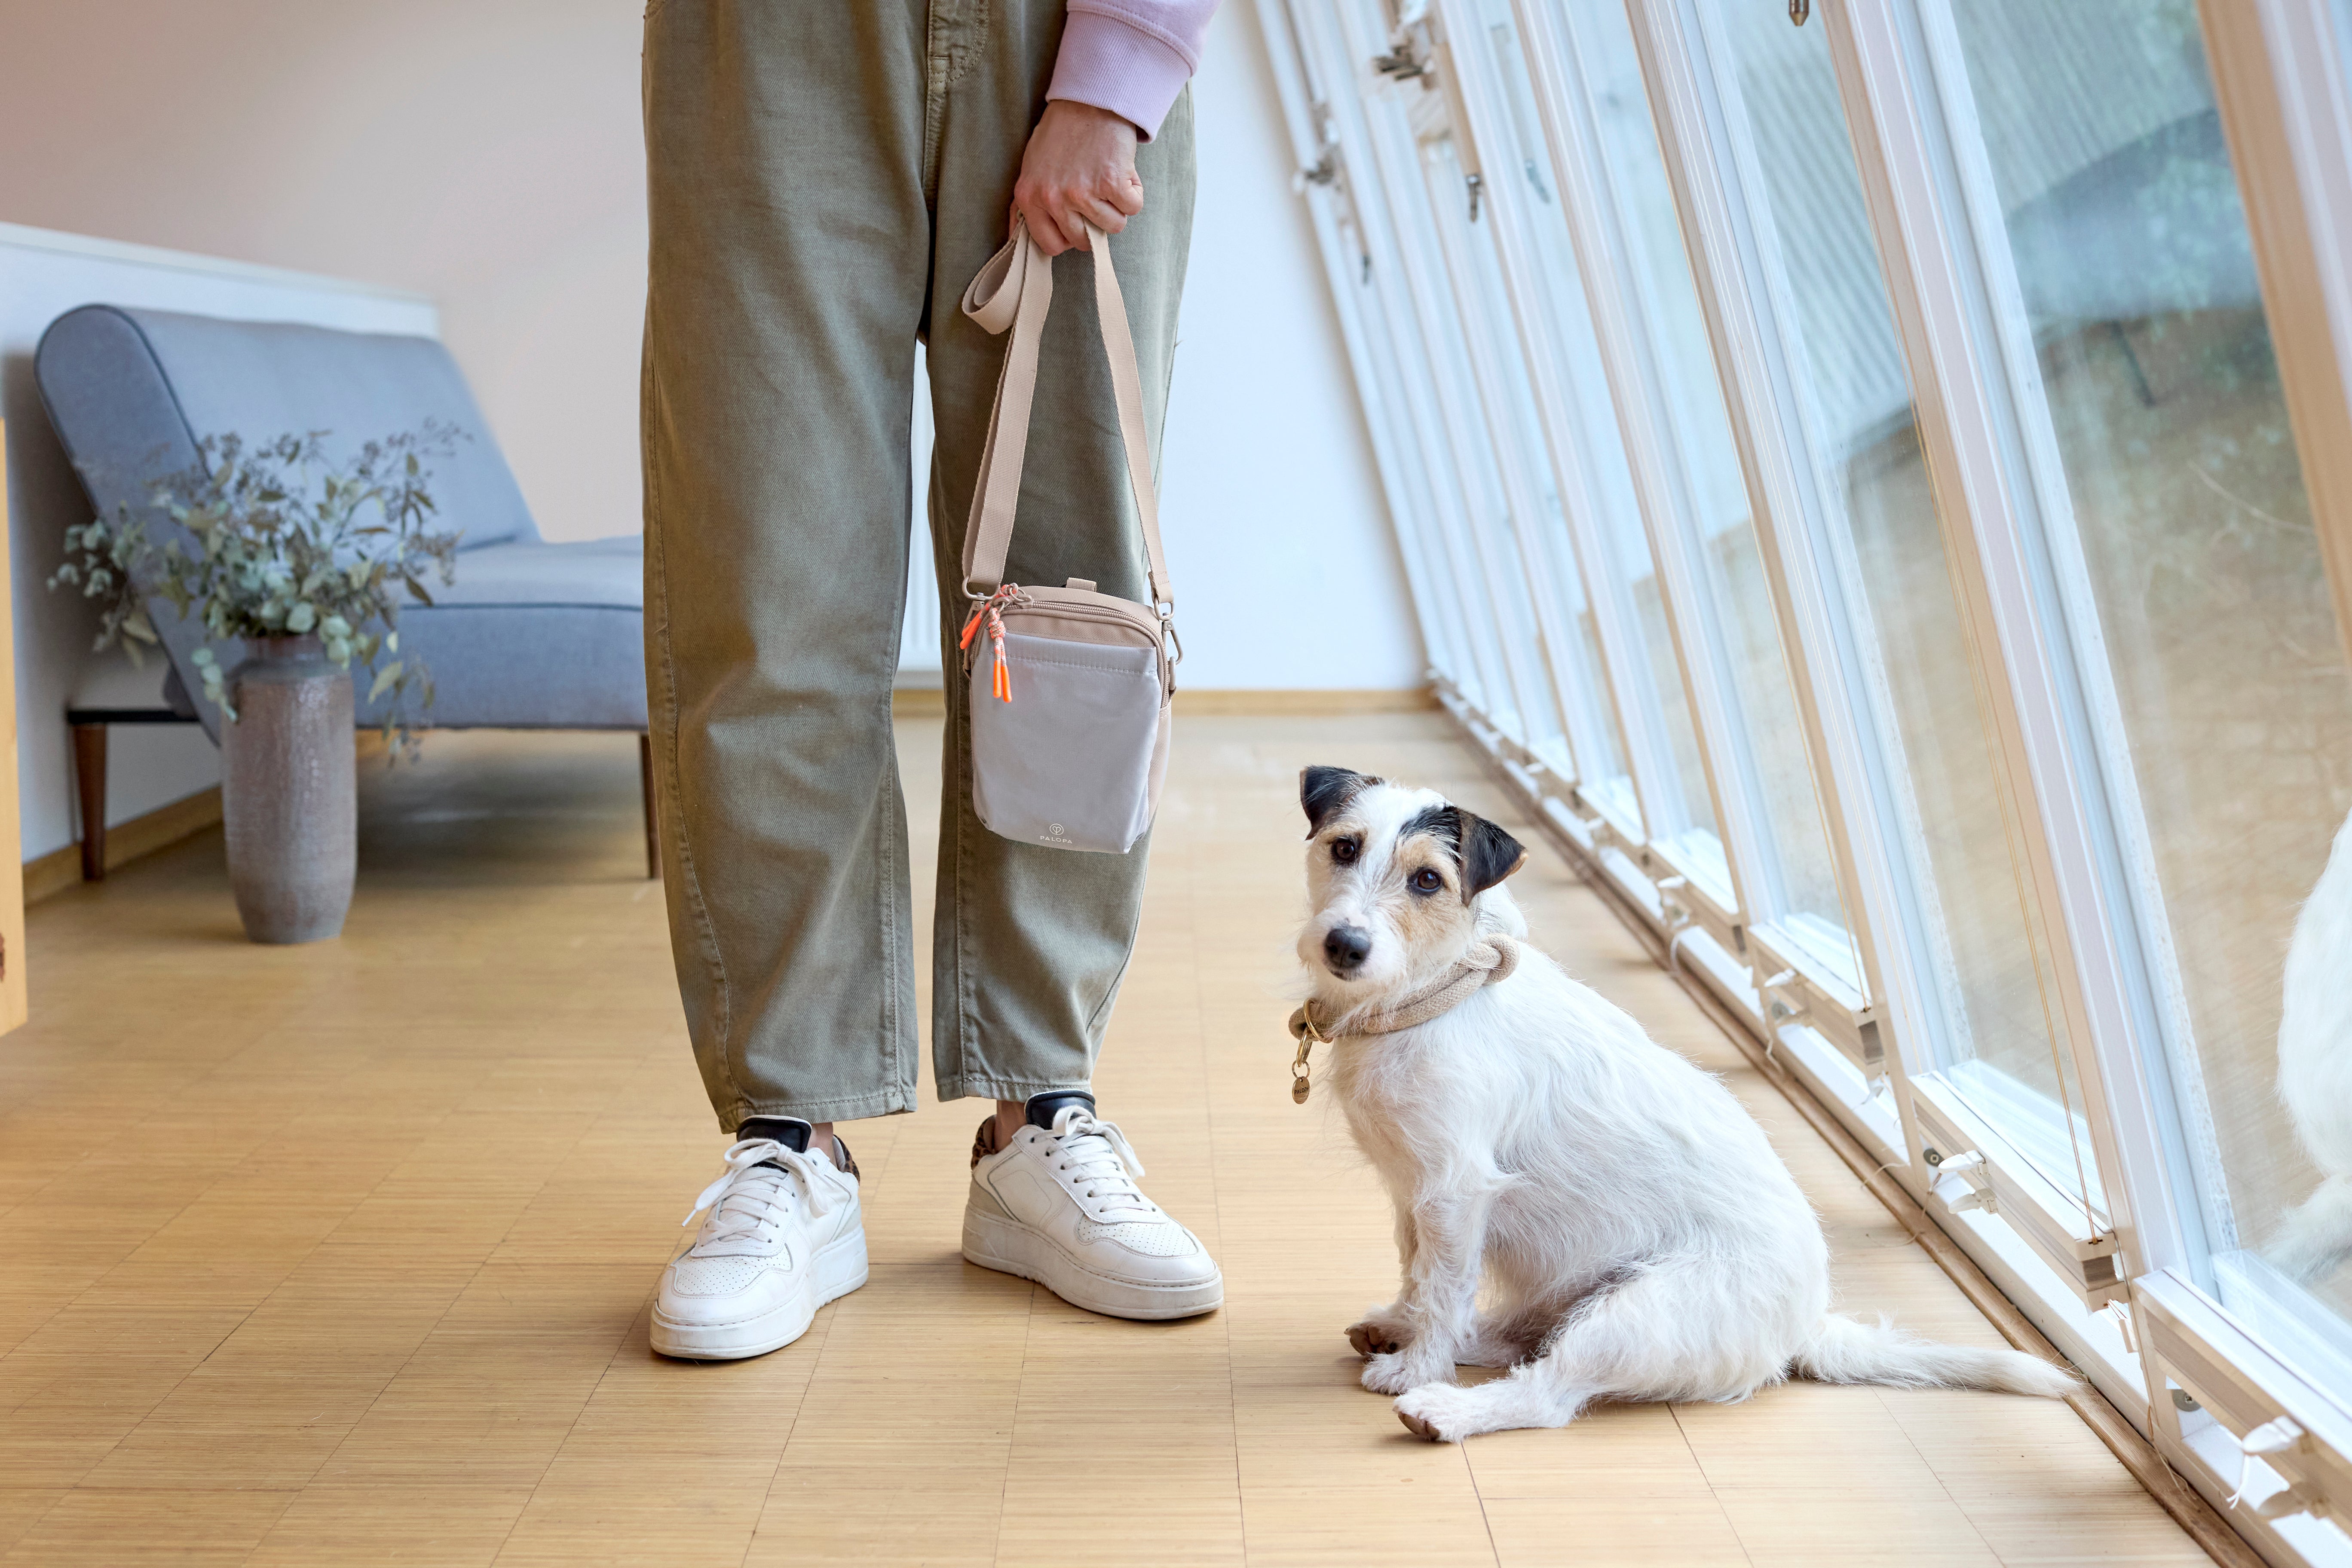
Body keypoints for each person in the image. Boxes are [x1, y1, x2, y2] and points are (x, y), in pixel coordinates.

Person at [638, 0, 1224, 1359]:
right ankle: (789, 1133)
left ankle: (1041, 1109)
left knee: (1073, 596)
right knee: (766, 588)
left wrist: (1119, 74)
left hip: (1066, 30)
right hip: (767, 46)